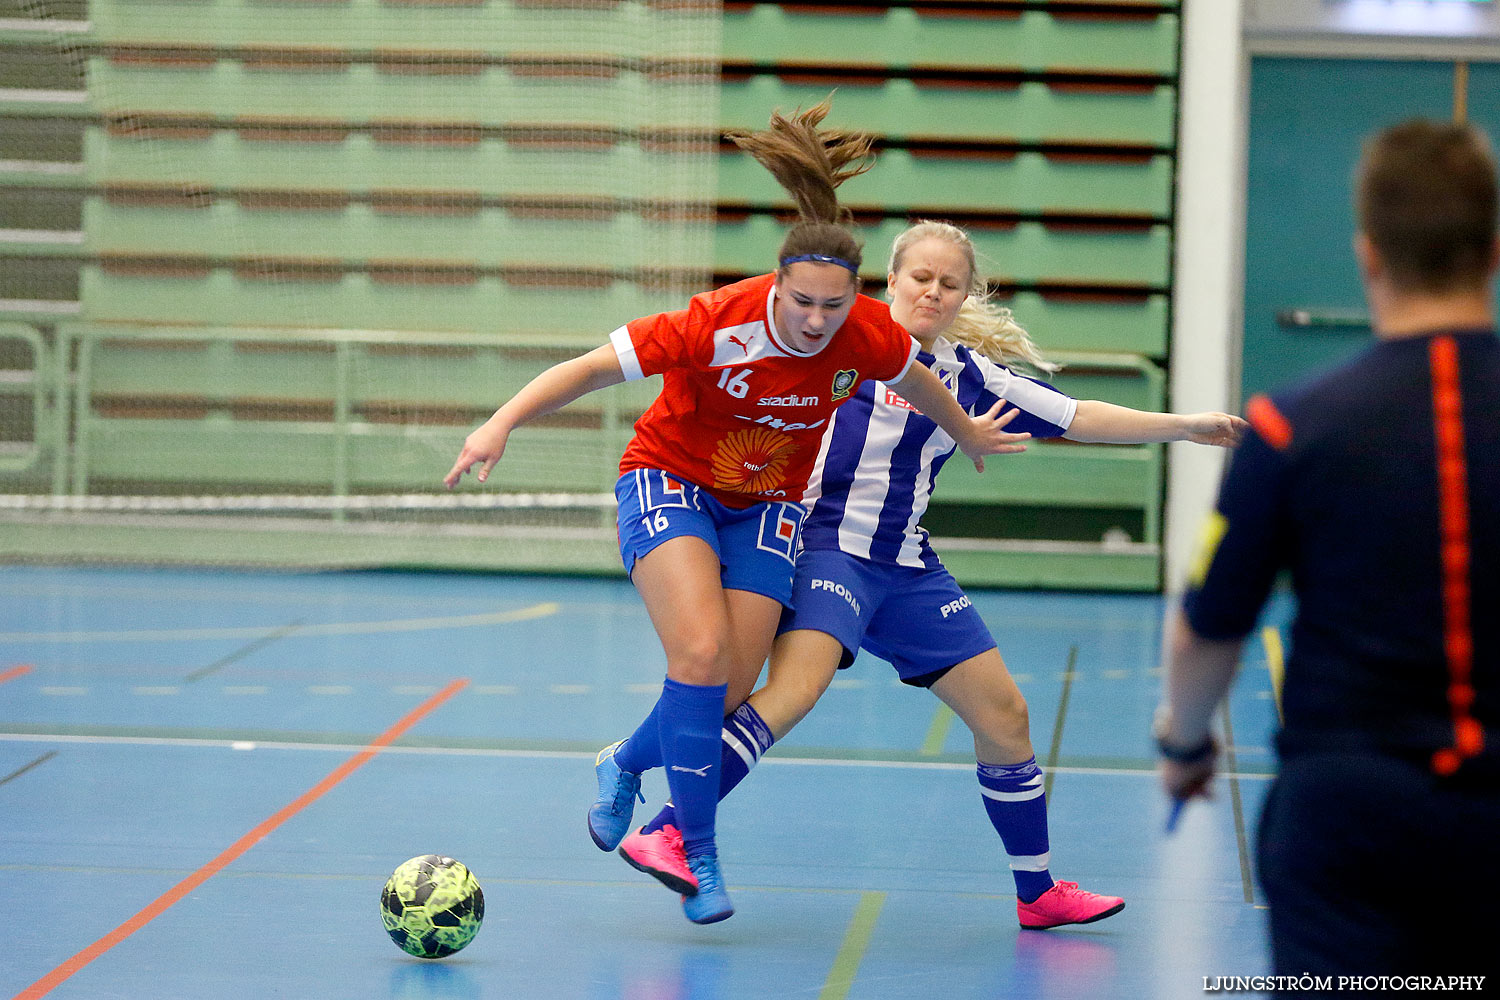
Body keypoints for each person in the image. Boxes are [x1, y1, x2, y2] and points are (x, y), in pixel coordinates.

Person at [447, 101, 1030, 926]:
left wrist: (965, 428)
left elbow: (917, 379)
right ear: (777, 287)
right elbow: (584, 370)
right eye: (802, 305)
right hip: (671, 480)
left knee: (728, 689)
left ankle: (621, 763)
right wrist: (499, 423)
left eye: (834, 308)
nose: (817, 322)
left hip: (765, 504)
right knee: (700, 651)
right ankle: (700, 850)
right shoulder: (711, 323)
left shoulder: (863, 334)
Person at [594, 218, 1247, 928]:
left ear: (966, 296)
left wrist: (1184, 425)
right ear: (892, 281)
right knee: (790, 690)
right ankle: (669, 828)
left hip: (904, 567)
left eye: (950, 283)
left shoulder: (968, 376)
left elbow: (1077, 415)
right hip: (821, 547)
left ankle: (1038, 892)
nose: (933, 292)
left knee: (1006, 715)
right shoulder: (839, 345)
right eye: (921, 278)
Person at [1156, 118, 1499, 981]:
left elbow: (1208, 629)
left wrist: (1185, 745)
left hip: (1350, 815)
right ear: (1493, 251)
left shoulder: (1289, 425)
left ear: (1369, 255)